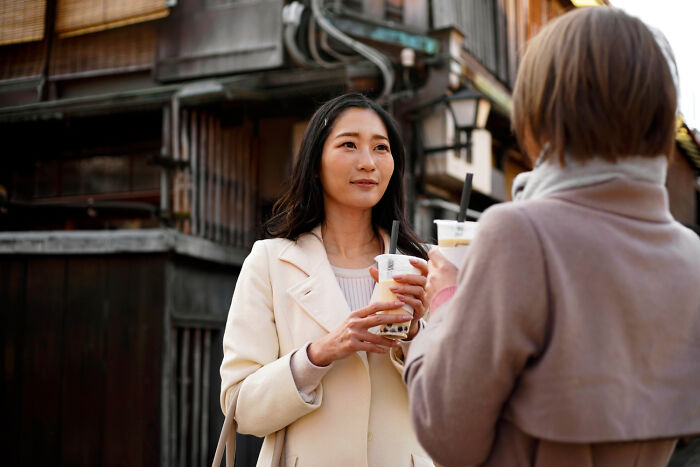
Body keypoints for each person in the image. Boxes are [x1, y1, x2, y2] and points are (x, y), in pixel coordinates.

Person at [404, 7, 700, 467]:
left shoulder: (520, 234)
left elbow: (446, 435)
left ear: (544, 106)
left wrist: (445, 301)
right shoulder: (690, 256)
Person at [220, 93, 434, 466]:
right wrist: (321, 353)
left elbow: (457, 402)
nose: (367, 162)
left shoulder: (425, 268)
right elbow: (241, 410)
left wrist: (414, 336)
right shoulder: (269, 262)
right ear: (316, 163)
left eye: (380, 148)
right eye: (349, 144)